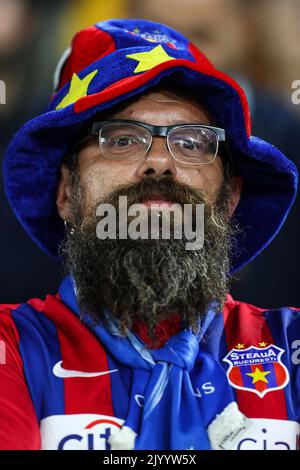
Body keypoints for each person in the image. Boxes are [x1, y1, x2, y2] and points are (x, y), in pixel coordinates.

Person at [0, 19, 299, 451]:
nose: (159, 162)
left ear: (231, 199)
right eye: (122, 140)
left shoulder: (292, 345)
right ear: (66, 193)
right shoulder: (12, 347)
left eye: (193, 143)